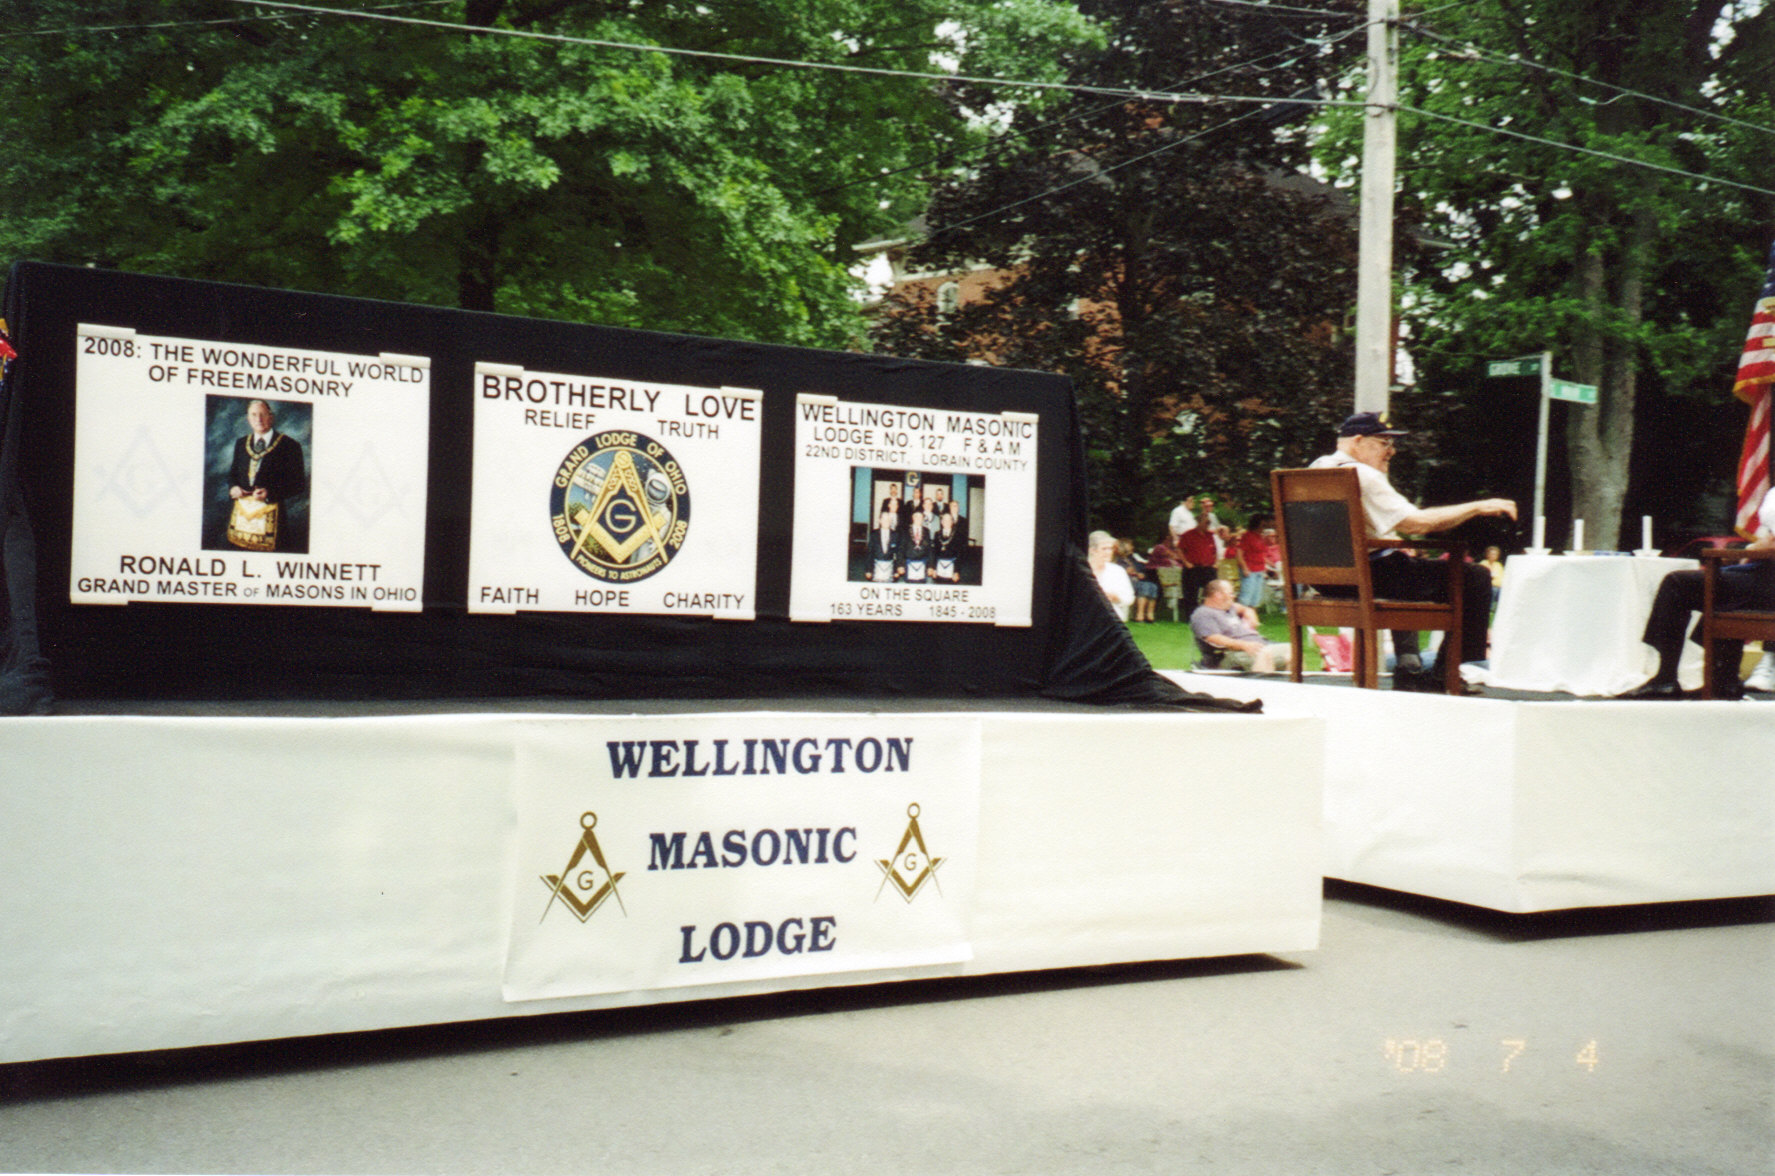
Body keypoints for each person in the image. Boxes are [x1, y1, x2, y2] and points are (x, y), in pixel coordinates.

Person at [1308, 411, 1514, 686]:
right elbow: (1418, 524)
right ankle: (1449, 673)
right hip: (1367, 577)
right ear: (1358, 441)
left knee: (1405, 568)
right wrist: (1477, 506)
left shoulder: (1315, 469)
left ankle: (1409, 666)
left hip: (1325, 581)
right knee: (1475, 577)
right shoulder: (1362, 474)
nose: (1392, 452)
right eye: (1385, 443)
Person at [1618, 486, 1775, 700]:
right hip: (1764, 574)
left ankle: (1665, 679)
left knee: (1677, 584)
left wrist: (1751, 551)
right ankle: (1723, 683)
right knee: (1721, 591)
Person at [226, 398, 307, 552]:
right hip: (241, 521)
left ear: (271, 417)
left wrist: (270, 493)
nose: (259, 419)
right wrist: (233, 488)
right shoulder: (240, 443)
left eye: (263, 414)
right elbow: (232, 475)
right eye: (254, 415)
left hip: (273, 522)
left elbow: (299, 484)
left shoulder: (290, 446)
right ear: (248, 419)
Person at [1190, 578, 1291, 673]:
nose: (1233, 596)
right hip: (1229, 654)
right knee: (1264, 654)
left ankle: (1292, 687)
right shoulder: (1203, 614)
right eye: (1231, 593)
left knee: (1293, 651)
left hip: (1257, 645)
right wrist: (1243, 645)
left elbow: (1245, 609)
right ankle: (1260, 689)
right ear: (1218, 595)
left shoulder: (1229, 608)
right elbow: (1213, 638)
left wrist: (1250, 614)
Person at [1088, 530, 1134, 622]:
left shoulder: (1118, 571)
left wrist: (1115, 597)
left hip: (1110, 620)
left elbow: (1129, 598)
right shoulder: (1080, 570)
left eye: (1111, 548)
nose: (1109, 552)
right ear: (1092, 550)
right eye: (1104, 549)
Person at [1235, 517, 1272, 610]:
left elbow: (1261, 554)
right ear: (1256, 525)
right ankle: (1241, 617)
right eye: (1262, 525)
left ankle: (1252, 618)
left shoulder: (1260, 537)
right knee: (1246, 595)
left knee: (1256, 596)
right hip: (1250, 569)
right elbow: (1239, 553)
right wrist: (1244, 568)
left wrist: (1268, 566)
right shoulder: (1247, 536)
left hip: (1259, 569)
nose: (1263, 528)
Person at [1118, 537, 1156, 622]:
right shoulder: (1117, 560)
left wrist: (1139, 573)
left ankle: (1150, 614)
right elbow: (1120, 570)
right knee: (1145, 586)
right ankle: (1140, 615)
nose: (1132, 547)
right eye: (1130, 545)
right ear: (1124, 547)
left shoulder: (1131, 559)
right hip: (1126, 582)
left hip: (1136, 580)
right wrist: (1128, 571)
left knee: (1153, 586)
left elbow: (1140, 568)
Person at [866, 503, 901, 582]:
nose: (886, 521)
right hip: (877, 566)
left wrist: (896, 570)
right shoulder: (874, 534)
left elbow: (897, 554)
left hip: (890, 567)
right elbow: (869, 553)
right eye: (884, 519)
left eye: (888, 520)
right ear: (880, 520)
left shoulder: (895, 534)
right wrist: (868, 570)